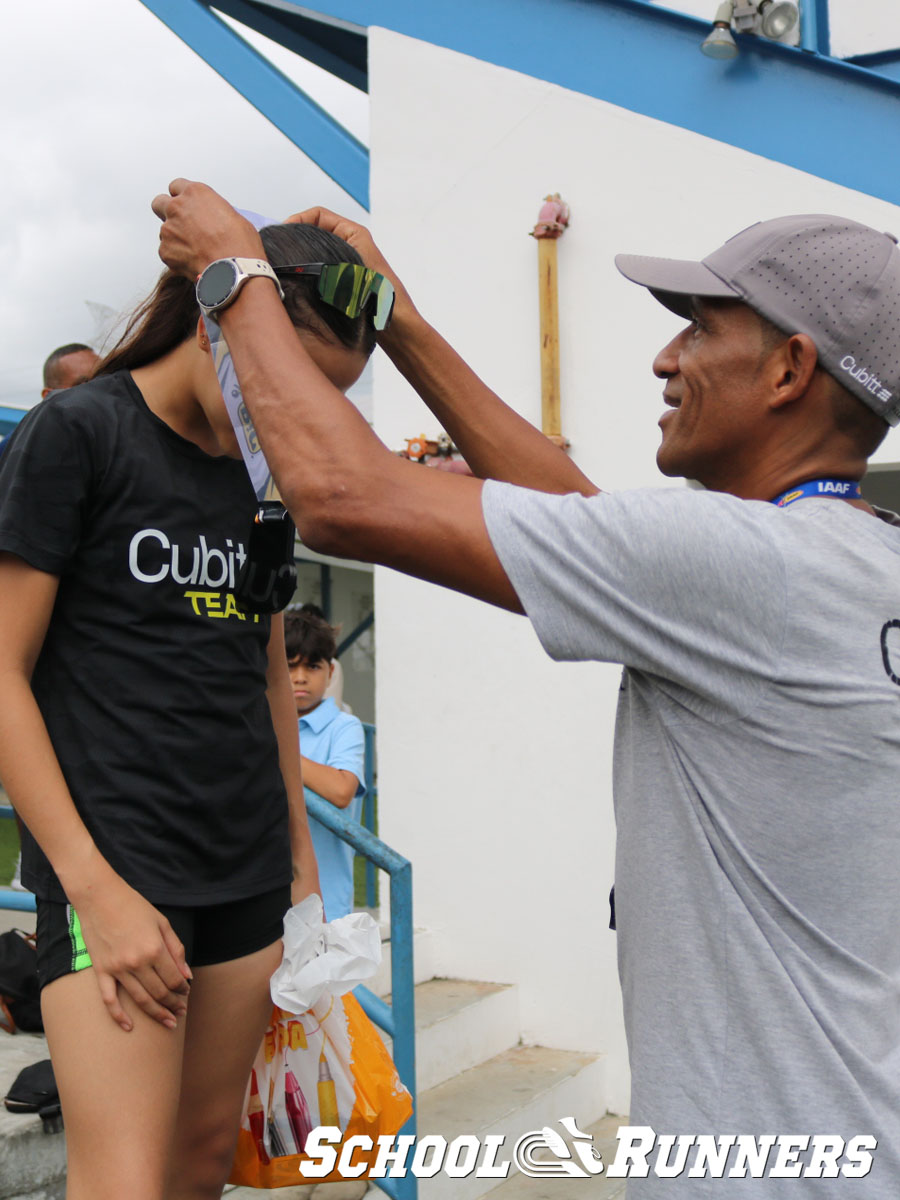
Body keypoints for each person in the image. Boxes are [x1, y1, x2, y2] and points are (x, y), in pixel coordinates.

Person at [152, 183, 900, 1191]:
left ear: (790, 368)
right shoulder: (844, 560)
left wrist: (234, 273)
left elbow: (338, 495)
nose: (664, 359)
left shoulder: (741, 567)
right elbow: (580, 514)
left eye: (700, 330)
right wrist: (402, 324)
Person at [0, 219, 379, 1200]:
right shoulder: (80, 431)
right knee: (123, 1184)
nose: (299, 411)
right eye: (290, 375)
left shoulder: (262, 481)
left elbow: (260, 666)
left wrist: (299, 866)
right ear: (223, 322)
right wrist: (94, 890)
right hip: (116, 876)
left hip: (245, 874)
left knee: (202, 1169)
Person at [285, 606, 366, 921]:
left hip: (325, 902)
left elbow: (341, 789)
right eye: (289, 667)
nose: (300, 678)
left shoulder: (344, 727)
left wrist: (278, 750)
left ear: (331, 672)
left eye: (313, 667)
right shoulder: (257, 724)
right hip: (263, 896)